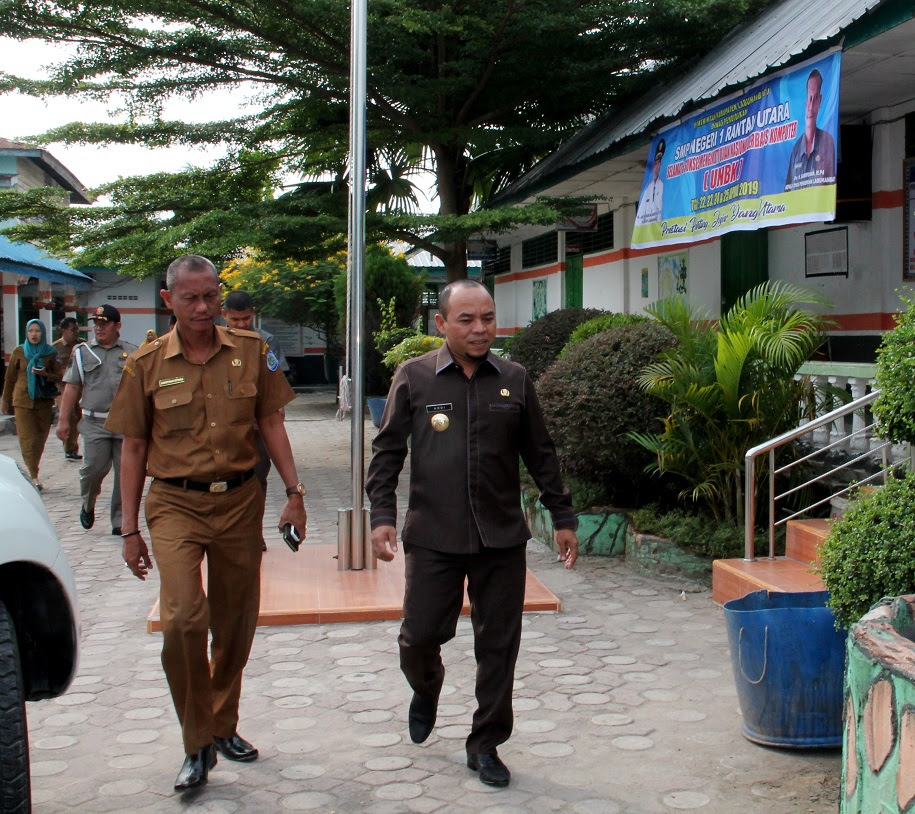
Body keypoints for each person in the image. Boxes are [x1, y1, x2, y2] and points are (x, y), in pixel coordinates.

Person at [366, 280, 579, 789]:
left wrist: (563, 517)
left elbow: (541, 453)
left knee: (499, 646)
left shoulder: (514, 378)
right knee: (417, 639)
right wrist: (381, 515)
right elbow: (388, 451)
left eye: (487, 317)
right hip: (433, 535)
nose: (480, 328)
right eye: (467, 319)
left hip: (501, 538)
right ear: (441, 324)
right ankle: (428, 685)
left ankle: (485, 744)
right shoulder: (414, 378)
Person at [106, 254, 308, 793]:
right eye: (190, 298)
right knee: (183, 621)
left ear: (222, 297)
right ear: (167, 300)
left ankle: (223, 725)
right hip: (174, 504)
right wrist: (129, 530)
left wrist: (294, 493)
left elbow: (272, 423)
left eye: (211, 296)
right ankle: (196, 742)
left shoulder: (252, 353)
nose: (202, 307)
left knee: (236, 623)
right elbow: (132, 447)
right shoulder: (144, 364)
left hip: (241, 501)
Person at [56, 305, 138, 535]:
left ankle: (119, 521)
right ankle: (87, 503)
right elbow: (72, 387)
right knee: (93, 470)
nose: (99, 328)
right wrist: (63, 421)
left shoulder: (132, 353)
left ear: (117, 326)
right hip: (94, 424)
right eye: (96, 324)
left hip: (124, 423)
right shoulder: (82, 353)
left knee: (125, 474)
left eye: (104, 324)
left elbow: (141, 389)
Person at [222, 290, 290, 495]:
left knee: (257, 477)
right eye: (235, 319)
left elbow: (277, 382)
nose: (241, 324)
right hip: (225, 424)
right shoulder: (213, 341)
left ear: (253, 313)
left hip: (257, 423)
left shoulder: (266, 341)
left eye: (246, 318)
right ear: (224, 314)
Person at [1, 319, 63, 490]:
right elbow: (10, 378)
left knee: (39, 439)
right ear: (26, 333)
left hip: (43, 402)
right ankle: (33, 476)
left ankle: (33, 469)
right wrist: (5, 399)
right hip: (22, 401)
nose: (34, 334)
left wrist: (45, 374)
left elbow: (59, 375)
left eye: (37, 331)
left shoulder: (50, 353)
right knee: (27, 439)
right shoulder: (19, 352)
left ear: (43, 333)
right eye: (31, 331)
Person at [784, 69, 836, 191]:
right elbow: (787, 192)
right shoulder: (796, 150)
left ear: (820, 100)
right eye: (809, 98)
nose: (811, 107)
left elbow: (830, 185)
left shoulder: (827, 142)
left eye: (815, 98)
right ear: (805, 102)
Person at [52, 316, 85, 461]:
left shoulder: (81, 346)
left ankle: (72, 445)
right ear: (64, 331)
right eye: (73, 329)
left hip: (79, 388)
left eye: (77, 329)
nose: (76, 332)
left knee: (77, 417)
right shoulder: (55, 348)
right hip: (62, 388)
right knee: (69, 415)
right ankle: (69, 449)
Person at [635, 138, 665, 225]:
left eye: (659, 163)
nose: (657, 167)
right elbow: (641, 213)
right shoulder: (648, 188)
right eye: (655, 164)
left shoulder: (663, 186)